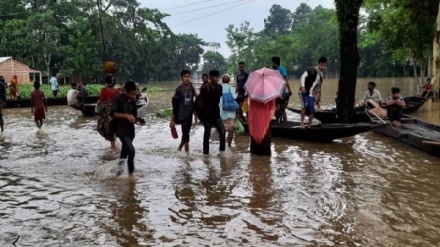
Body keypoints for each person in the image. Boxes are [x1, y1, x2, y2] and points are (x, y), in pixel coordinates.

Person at [111, 81, 139, 177]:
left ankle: (118, 175)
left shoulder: (133, 100)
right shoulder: (117, 99)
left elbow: (134, 115)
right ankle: (131, 176)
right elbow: (113, 114)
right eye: (131, 94)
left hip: (130, 130)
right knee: (131, 151)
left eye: (134, 93)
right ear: (125, 92)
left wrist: (138, 121)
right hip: (120, 129)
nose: (133, 96)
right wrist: (126, 115)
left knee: (124, 153)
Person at [199, 70, 226, 155]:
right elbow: (199, 101)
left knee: (223, 131)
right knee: (207, 134)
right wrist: (201, 115)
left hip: (216, 115)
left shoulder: (219, 88)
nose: (216, 79)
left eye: (217, 77)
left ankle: (222, 152)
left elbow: (219, 100)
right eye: (214, 77)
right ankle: (206, 154)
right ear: (210, 77)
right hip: (207, 116)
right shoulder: (205, 88)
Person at [170, 70, 197, 154]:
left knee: (185, 135)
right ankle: (187, 157)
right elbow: (174, 105)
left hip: (189, 115)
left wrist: (196, 112)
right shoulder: (179, 90)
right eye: (185, 77)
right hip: (182, 116)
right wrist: (172, 120)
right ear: (181, 78)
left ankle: (179, 149)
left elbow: (197, 98)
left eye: (188, 76)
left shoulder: (192, 88)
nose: (187, 78)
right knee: (186, 136)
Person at [299, 57, 327, 129]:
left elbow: (318, 88)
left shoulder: (321, 75)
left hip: (311, 94)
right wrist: (302, 87)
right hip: (304, 92)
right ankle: (301, 123)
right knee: (304, 106)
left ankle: (309, 125)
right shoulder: (312, 70)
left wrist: (317, 100)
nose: (323, 67)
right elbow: (303, 76)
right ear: (318, 64)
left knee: (312, 110)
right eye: (321, 65)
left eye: (324, 65)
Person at [97, 74, 120, 150]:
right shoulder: (117, 91)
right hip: (115, 113)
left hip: (107, 113)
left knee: (105, 128)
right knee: (113, 129)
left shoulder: (104, 90)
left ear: (106, 82)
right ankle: (114, 146)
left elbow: (100, 102)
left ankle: (113, 148)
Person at [272, 57, 293, 125]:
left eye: (273, 63)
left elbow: (285, 81)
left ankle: (285, 123)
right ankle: (278, 120)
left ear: (275, 63)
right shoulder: (274, 70)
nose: (272, 64)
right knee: (275, 108)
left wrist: (289, 90)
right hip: (275, 93)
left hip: (281, 93)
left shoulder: (282, 69)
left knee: (282, 108)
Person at [220, 74, 237, 148]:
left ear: (222, 80)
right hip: (230, 112)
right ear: (229, 80)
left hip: (222, 112)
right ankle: (229, 146)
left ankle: (222, 146)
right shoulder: (230, 88)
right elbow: (235, 97)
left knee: (222, 130)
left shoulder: (219, 88)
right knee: (230, 130)